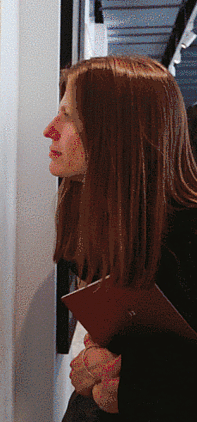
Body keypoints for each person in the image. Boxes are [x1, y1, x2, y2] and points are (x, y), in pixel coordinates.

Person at [44, 55, 197, 421]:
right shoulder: (113, 225)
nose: (50, 130)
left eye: (69, 116)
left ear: (115, 132)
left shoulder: (187, 238)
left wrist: (130, 388)